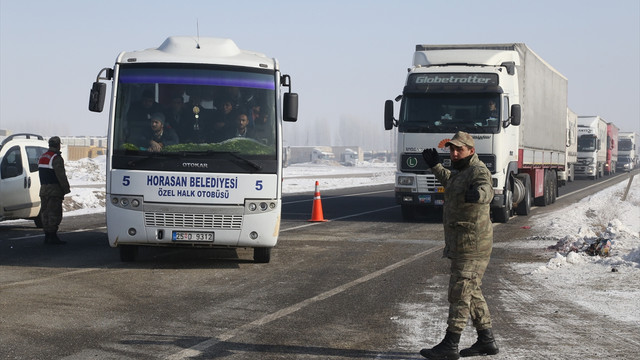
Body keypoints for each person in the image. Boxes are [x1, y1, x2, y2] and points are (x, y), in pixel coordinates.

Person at [420, 131, 499, 359]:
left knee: (460, 293)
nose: (454, 153)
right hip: (461, 243)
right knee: (471, 291)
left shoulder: (477, 170)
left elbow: (487, 188)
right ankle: (486, 341)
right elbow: (451, 183)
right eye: (451, 149)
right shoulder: (460, 171)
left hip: (472, 245)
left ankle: (450, 345)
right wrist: (435, 166)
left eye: (459, 149)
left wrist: (480, 195)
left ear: (471, 151)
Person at [38, 136, 71, 245]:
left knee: (45, 212)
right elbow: (61, 175)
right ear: (58, 145)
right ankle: (52, 236)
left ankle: (47, 235)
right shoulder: (56, 158)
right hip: (54, 190)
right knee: (54, 213)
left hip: (43, 189)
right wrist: (66, 189)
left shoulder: (42, 156)